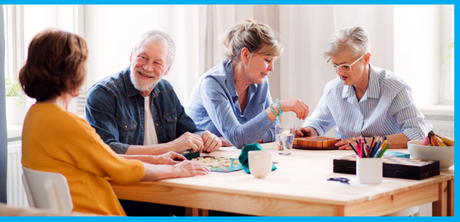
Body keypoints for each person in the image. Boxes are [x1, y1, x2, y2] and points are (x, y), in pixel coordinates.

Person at [19, 29, 209, 216]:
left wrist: (156, 159)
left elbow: (106, 161)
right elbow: (119, 169)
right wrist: (177, 170)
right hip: (98, 213)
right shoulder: (68, 124)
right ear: (73, 72)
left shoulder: (35, 116)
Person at [85, 30, 221, 155]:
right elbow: (108, 150)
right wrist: (171, 147)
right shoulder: (103, 93)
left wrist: (205, 137)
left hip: (166, 173)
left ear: (167, 69)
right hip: (126, 178)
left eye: (157, 63)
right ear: (132, 55)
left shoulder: (166, 90)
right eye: (143, 57)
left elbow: (189, 132)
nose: (147, 67)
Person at [296, 26, 426, 149]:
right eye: (335, 65)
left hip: (385, 162)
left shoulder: (395, 88)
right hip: (344, 161)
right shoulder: (333, 90)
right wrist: (309, 131)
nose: (339, 73)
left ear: (366, 59)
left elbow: (417, 133)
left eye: (346, 66)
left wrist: (370, 142)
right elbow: (318, 123)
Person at [186, 19, 309, 148]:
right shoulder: (212, 84)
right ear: (245, 55)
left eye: (274, 61)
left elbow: (273, 131)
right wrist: (278, 107)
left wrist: (240, 139)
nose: (271, 68)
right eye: (267, 60)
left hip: (232, 157)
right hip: (200, 160)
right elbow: (238, 138)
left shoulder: (261, 82)